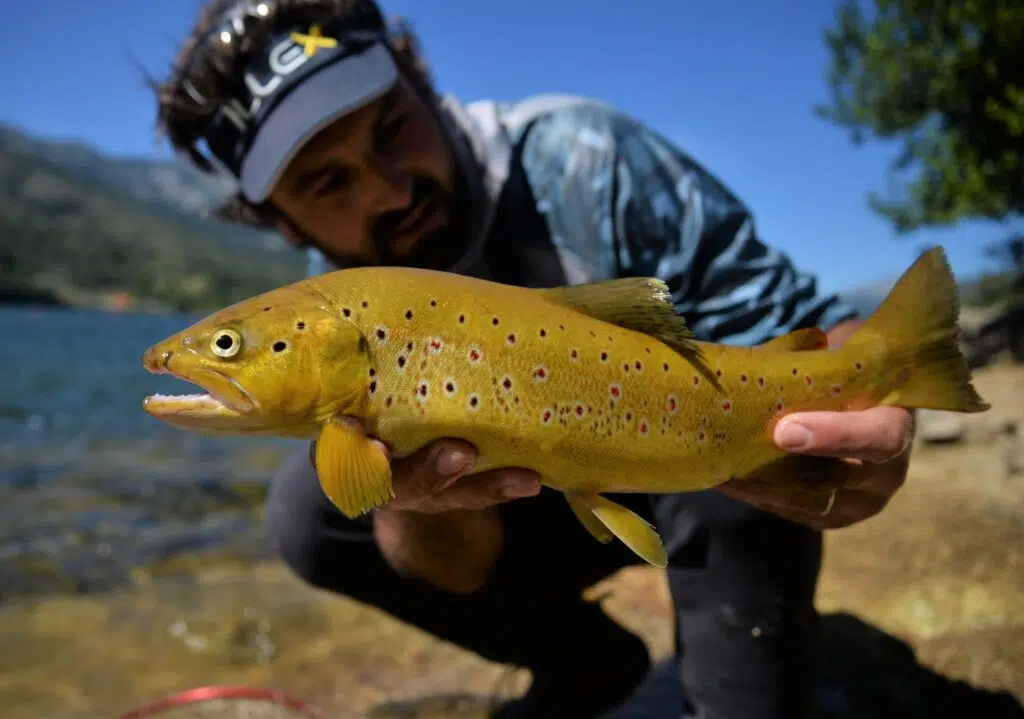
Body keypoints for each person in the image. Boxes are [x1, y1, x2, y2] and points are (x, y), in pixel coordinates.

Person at [154, 2, 916, 717]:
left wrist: (872, 393)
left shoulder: (584, 159)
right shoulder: (335, 312)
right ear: (282, 222)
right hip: (531, 492)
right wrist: (413, 503)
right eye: (327, 181)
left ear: (418, 80)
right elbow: (452, 571)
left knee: (726, 454)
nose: (388, 191)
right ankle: (588, 662)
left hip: (694, 453)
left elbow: (802, 324)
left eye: (391, 128)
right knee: (311, 513)